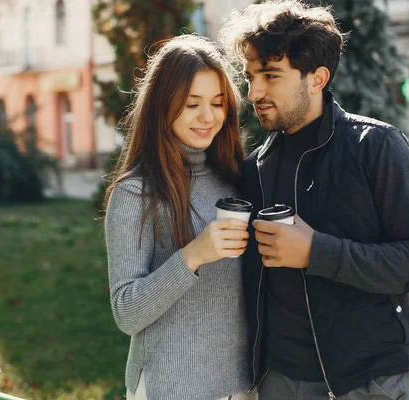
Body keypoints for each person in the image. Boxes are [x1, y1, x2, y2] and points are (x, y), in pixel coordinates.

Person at [218, 1, 409, 399]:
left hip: (364, 381)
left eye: (271, 75)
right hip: (278, 381)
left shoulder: (375, 146)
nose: (254, 91)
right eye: (251, 76)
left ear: (317, 78)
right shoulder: (255, 167)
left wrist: (316, 252)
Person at [104, 35, 254, 400]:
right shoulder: (135, 193)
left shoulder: (235, 179)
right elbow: (126, 312)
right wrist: (193, 255)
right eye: (192, 104)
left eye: (218, 103)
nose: (208, 117)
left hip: (242, 386)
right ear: (162, 105)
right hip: (171, 388)